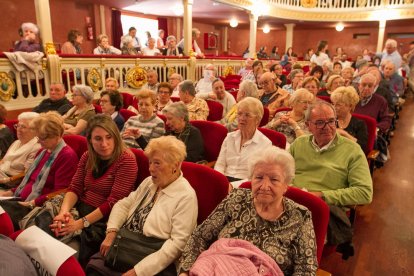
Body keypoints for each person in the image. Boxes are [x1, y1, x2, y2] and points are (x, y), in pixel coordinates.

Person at [180, 146, 317, 275]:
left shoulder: (300, 215)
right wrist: (184, 272)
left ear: (286, 185)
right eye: (259, 177)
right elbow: (199, 237)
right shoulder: (237, 198)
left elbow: (306, 268)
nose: (264, 186)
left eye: (274, 179)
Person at [90, 136, 198, 275]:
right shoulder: (149, 183)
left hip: (153, 261)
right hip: (126, 246)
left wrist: (138, 271)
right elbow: (123, 205)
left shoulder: (185, 196)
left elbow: (177, 245)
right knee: (93, 268)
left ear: (175, 166)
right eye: (150, 162)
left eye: (157, 163)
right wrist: (111, 232)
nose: (151, 169)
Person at [49, 114, 137, 266]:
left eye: (109, 137)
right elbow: (74, 188)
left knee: (63, 256)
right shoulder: (87, 156)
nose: (104, 144)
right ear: (90, 140)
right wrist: (64, 212)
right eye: (98, 138)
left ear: (116, 136)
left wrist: (78, 224)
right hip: (80, 209)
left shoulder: (126, 159)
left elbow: (113, 203)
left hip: (102, 221)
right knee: (47, 238)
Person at [288, 101, 372, 254]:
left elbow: (365, 193)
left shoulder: (352, 150)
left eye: (331, 121)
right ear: (308, 125)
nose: (327, 127)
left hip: (320, 209)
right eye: (320, 122)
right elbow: (283, 174)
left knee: (290, 246)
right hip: (290, 201)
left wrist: (322, 196)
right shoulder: (299, 144)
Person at [0, 112, 78, 230]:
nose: (38, 141)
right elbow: (30, 179)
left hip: (36, 207)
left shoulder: (66, 156)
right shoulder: (43, 151)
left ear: (57, 136)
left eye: (42, 138)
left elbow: (61, 191)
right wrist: (10, 192)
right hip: (22, 200)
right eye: (38, 137)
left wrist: (33, 202)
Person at [215, 97, 272, 181]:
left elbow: (258, 176)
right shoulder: (229, 137)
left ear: (257, 120)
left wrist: (232, 185)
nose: (241, 118)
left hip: (245, 185)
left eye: (247, 115)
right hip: (223, 180)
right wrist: (220, 181)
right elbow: (220, 165)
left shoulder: (265, 144)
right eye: (239, 114)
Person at [0, 112, 41, 188]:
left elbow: (27, 173)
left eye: (23, 127)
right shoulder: (16, 142)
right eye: (18, 126)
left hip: (10, 183)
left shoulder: (37, 147)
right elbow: (4, 161)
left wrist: (7, 180)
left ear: (35, 129)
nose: (19, 129)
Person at [331, 86, 368, 151]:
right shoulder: (330, 120)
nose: (334, 107)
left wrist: (344, 134)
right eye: (333, 104)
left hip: (351, 156)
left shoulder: (359, 124)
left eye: (338, 105)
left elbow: (363, 147)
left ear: (350, 106)